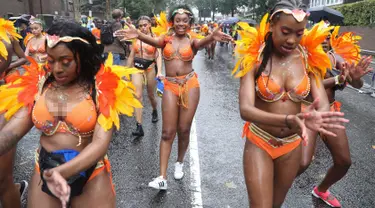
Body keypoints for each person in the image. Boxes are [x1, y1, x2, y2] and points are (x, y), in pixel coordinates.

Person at [0, 20, 141, 208]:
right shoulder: (40, 86)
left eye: (65, 62)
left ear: (81, 57)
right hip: (45, 171)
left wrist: (63, 172)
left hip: (91, 175)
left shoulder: (101, 89)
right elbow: (12, 132)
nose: (57, 69)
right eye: (51, 61)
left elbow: (100, 144)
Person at [232, 1, 349, 207]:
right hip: (260, 142)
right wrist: (287, 119)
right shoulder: (253, 59)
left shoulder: (307, 59)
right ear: (271, 26)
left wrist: (318, 116)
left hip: (291, 147)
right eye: (285, 31)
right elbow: (246, 110)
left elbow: (321, 102)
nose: (292, 40)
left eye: (299, 34)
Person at [115, 5, 232, 190]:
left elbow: (201, 44)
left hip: (190, 85)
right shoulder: (165, 39)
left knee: (184, 129)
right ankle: (162, 177)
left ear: (190, 23)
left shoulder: (192, 41)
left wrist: (211, 37)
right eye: (178, 20)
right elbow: (150, 40)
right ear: (172, 21)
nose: (181, 24)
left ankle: (179, 162)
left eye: (185, 21)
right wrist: (137, 33)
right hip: (170, 85)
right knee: (167, 132)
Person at [298, 26, 372, 207]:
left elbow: (356, 82)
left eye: (327, 37)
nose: (323, 40)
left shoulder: (335, 58)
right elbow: (308, 86)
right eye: (319, 37)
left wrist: (354, 77)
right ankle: (271, 189)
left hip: (330, 111)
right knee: (302, 163)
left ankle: (321, 190)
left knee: (344, 161)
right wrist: (339, 79)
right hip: (308, 112)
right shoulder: (300, 58)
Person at [0, 17, 28, 208]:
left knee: (1, 179)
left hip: (3, 99)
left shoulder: (5, 35)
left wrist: (10, 67)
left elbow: (24, 57)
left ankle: (15, 190)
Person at [127, 16, 163, 136]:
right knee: (137, 96)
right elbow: (131, 56)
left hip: (150, 68)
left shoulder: (155, 39)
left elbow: (158, 56)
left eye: (145, 25)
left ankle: (154, 110)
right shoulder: (135, 39)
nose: (143, 27)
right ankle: (139, 126)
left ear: (150, 25)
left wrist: (159, 72)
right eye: (140, 25)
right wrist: (126, 72)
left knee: (151, 95)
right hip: (137, 69)